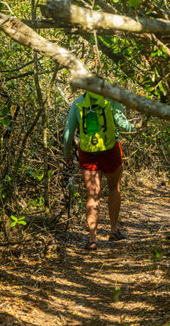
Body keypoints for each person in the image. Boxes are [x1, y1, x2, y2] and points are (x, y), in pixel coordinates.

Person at [63, 91, 132, 250]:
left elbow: (68, 134)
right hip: (111, 149)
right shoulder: (112, 99)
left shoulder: (78, 102)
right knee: (114, 188)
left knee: (93, 194)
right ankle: (113, 231)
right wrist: (137, 126)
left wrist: (67, 155)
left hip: (87, 152)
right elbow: (123, 125)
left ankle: (92, 239)